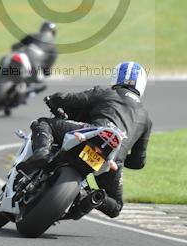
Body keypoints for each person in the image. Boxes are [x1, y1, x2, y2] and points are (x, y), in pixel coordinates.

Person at [17, 61, 152, 219]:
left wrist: (53, 99)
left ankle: (42, 153)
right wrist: (120, 157)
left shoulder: (107, 93)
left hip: (92, 135)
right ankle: (92, 197)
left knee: (44, 123)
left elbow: (71, 99)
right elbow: (138, 162)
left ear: (117, 78)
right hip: (112, 158)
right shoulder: (146, 118)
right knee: (115, 206)